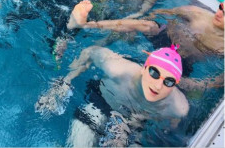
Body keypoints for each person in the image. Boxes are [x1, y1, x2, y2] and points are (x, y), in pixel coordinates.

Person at [36, 44, 189, 147]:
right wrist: (66, 81)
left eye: (169, 81)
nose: (158, 85)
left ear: (176, 83)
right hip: (102, 103)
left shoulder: (179, 107)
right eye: (154, 73)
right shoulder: (120, 70)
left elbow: (171, 126)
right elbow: (91, 51)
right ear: (144, 68)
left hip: (133, 124)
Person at [67, 0, 224, 65]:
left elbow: (219, 80)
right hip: (164, 35)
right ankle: (88, 25)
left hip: (180, 62)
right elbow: (161, 13)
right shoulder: (198, 13)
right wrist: (142, 22)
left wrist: (190, 85)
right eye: (221, 7)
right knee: (144, 24)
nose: (218, 13)